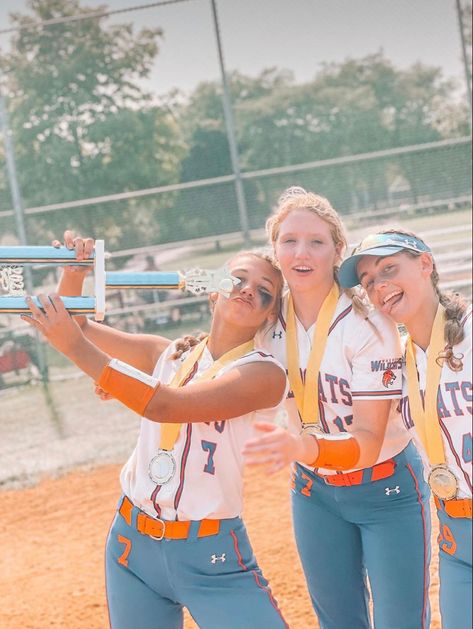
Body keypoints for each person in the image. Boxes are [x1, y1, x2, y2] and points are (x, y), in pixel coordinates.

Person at [22, 249, 290, 629]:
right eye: (238, 279)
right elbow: (75, 326)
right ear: (214, 289)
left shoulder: (265, 374)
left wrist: (80, 352)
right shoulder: (166, 355)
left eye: (264, 290)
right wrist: (75, 273)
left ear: (270, 313)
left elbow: (165, 406)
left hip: (209, 553)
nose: (248, 290)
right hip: (132, 547)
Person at [242, 188, 431, 629]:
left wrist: (300, 446)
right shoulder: (266, 325)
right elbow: (209, 356)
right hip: (315, 495)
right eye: (288, 241)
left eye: (316, 242)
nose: (301, 252)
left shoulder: (369, 326)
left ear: (337, 251)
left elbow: (367, 443)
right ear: (274, 250)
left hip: (385, 490)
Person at [338, 228, 472, 629]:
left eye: (389, 268)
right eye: (368, 282)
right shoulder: (396, 361)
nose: (380, 287)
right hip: (456, 536)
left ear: (426, 264)